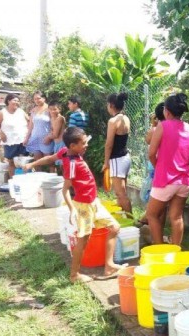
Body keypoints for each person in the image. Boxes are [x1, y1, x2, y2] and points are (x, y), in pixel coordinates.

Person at [24, 127, 122, 283]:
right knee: (82, 240)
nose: (86, 145)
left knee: (114, 227)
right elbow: (65, 190)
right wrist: (72, 210)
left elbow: (50, 158)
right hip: (83, 206)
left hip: (93, 202)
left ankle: (109, 266)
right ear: (72, 146)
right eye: (83, 143)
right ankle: (74, 275)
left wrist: (32, 164)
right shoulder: (72, 164)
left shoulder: (65, 151)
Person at [146, 93, 189, 245]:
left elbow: (151, 153)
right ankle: (176, 252)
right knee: (176, 217)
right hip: (184, 180)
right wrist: (181, 163)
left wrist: (160, 167)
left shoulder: (162, 126)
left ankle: (159, 251)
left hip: (165, 180)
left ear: (166, 111)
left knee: (152, 215)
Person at [102, 92, 132, 213]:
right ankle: (125, 218)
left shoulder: (113, 121)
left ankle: (132, 223)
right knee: (121, 192)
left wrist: (106, 162)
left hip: (117, 159)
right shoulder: (125, 118)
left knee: (121, 194)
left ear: (111, 105)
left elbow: (109, 144)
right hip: (125, 157)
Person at [0, 93, 29, 178]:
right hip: (10, 141)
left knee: (24, 161)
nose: (17, 102)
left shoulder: (21, 111)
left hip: (23, 140)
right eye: (14, 100)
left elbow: (30, 121)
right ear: (8, 101)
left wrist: (29, 135)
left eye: (18, 101)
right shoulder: (2, 112)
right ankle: (13, 181)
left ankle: (23, 180)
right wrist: (1, 133)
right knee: (11, 162)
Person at [25, 91, 53, 167]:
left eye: (38, 98)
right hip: (35, 139)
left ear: (44, 98)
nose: (37, 100)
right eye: (35, 99)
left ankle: (52, 177)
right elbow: (30, 126)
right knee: (37, 163)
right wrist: (26, 138)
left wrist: (49, 137)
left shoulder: (50, 109)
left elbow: (54, 125)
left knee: (50, 163)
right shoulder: (33, 110)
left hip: (46, 139)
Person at [48, 101, 67, 171]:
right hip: (56, 143)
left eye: (55, 109)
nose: (52, 111)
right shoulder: (52, 119)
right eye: (50, 109)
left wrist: (48, 138)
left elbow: (55, 134)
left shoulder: (60, 118)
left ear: (59, 109)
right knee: (59, 165)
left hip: (62, 143)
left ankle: (66, 180)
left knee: (63, 165)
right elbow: (52, 131)